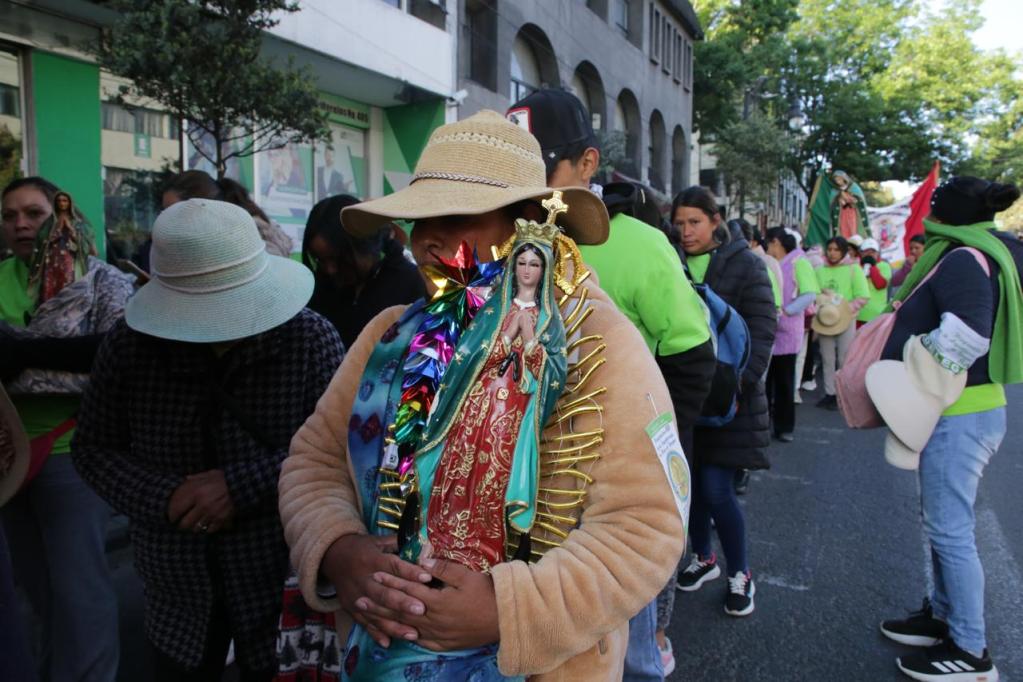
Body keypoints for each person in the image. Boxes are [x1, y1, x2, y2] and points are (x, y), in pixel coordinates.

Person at [279, 111, 687, 681]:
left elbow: (646, 525)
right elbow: (315, 461)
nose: (427, 242)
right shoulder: (389, 335)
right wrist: (340, 551)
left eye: (455, 216)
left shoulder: (596, 342)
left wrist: (507, 611)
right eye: (419, 222)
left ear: (525, 223)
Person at [72, 199, 344, 682]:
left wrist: (240, 486)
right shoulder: (129, 345)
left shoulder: (308, 338)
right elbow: (94, 448)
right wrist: (166, 495)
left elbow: (335, 449)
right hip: (174, 580)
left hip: (278, 572)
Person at [507, 88, 714, 678]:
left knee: (629, 622)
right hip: (532, 485)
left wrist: (648, 437)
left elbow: (693, 356)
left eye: (539, 168)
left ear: (587, 164)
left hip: (615, 470)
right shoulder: (499, 252)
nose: (522, 191)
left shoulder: (645, 243)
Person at [875, 177, 1023, 682]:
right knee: (941, 523)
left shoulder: (963, 257)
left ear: (946, 211)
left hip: (959, 414)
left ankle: (970, 649)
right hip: (961, 411)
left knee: (951, 530)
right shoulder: (980, 250)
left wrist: (913, 362)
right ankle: (942, 617)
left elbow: (968, 334)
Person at [0, 176, 123, 682]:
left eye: (33, 212)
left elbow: (114, 356)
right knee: (33, 590)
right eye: (10, 215)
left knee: (79, 591)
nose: (21, 224)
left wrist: (21, 356)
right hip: (7, 456)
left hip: (71, 449)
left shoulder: (99, 280)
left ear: (62, 216)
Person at [673, 186, 777, 619]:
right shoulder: (670, 260)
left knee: (717, 489)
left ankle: (741, 571)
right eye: (679, 224)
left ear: (716, 221)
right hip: (686, 398)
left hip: (732, 403)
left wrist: (739, 385)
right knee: (691, 489)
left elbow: (763, 329)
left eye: (694, 222)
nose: (685, 232)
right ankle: (704, 557)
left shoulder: (747, 265)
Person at [301, 194, 425, 348]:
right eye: (320, 260)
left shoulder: (411, 284)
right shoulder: (320, 290)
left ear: (363, 244)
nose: (330, 269)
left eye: (338, 259)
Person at [134, 171, 292, 271]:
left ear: (203, 207)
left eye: (174, 211)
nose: (166, 219)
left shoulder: (249, 240)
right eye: (163, 212)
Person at [765, 227, 819, 441]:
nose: (768, 248)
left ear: (776, 242)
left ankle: (784, 427)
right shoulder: (778, 262)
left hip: (787, 331)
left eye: (769, 244)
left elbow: (809, 294)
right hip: (773, 329)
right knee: (768, 383)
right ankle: (767, 424)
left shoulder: (799, 262)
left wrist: (787, 310)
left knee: (785, 383)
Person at [813, 236, 869, 409]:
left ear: (844, 251)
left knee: (844, 358)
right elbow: (814, 292)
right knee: (827, 358)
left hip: (846, 319)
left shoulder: (853, 269)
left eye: (836, 249)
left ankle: (843, 395)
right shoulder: (820, 269)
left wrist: (844, 309)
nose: (832, 253)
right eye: (829, 249)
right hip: (825, 318)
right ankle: (830, 393)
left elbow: (863, 296)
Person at [856, 237, 891, 326]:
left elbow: (880, 285)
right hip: (857, 314)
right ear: (861, 253)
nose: (869, 254)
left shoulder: (884, 265)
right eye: (866, 251)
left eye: (873, 251)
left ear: (878, 253)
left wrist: (872, 266)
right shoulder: (855, 266)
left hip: (876, 315)